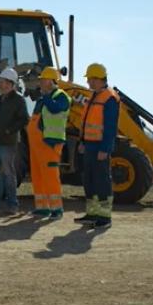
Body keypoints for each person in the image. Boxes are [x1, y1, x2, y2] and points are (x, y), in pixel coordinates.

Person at [74, 63, 120, 229]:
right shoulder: (94, 96)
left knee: (101, 181)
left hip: (100, 147)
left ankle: (104, 216)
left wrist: (105, 149)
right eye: (89, 80)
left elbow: (110, 127)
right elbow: (86, 122)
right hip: (89, 146)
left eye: (92, 79)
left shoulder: (110, 98)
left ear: (100, 79)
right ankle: (92, 213)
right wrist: (83, 142)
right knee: (89, 180)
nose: (89, 83)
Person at [26, 67, 70, 220]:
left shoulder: (61, 97)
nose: (41, 82)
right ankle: (42, 207)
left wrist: (44, 97)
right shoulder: (42, 99)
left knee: (50, 176)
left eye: (43, 80)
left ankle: (56, 209)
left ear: (52, 81)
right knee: (38, 175)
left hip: (50, 143)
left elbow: (55, 109)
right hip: (37, 144)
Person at [0, 68, 29, 213]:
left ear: (11, 84)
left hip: (7, 143)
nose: (1, 84)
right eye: (0, 81)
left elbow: (24, 119)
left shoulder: (18, 100)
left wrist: (9, 130)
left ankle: (12, 204)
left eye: (4, 82)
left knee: (8, 174)